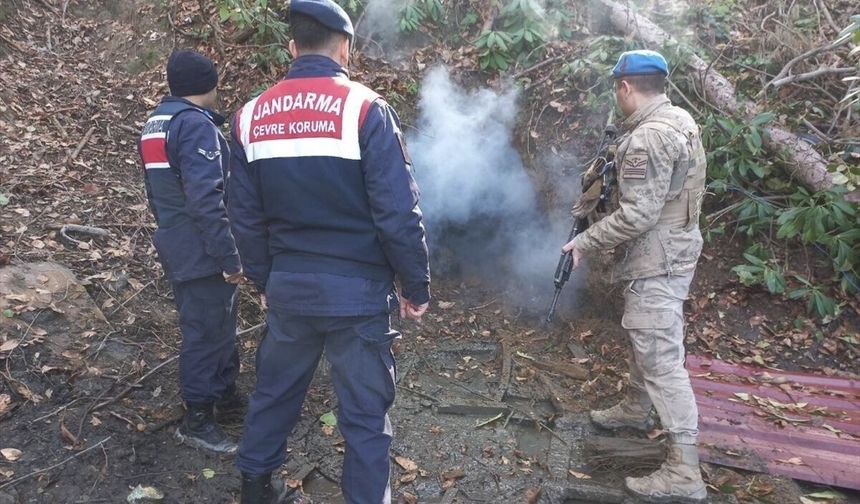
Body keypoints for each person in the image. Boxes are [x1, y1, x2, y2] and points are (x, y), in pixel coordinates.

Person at [227, 1, 431, 502]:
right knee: (364, 416)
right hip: (357, 297)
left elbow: (244, 219)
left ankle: (255, 487)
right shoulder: (365, 108)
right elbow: (398, 213)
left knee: (274, 394)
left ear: (292, 48)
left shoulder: (249, 117)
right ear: (346, 48)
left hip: (290, 288)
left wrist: (264, 281)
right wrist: (415, 284)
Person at [563, 49, 707, 503]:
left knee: (661, 355)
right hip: (674, 248)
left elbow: (639, 213)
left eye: (615, 88)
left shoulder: (647, 139)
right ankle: (636, 408)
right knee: (647, 335)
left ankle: (685, 470)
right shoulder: (680, 119)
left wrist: (585, 242)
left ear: (625, 87)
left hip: (658, 256)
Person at [138, 50, 244, 454]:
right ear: (210, 84)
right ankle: (198, 420)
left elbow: (156, 192)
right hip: (202, 247)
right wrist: (228, 256)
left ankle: (223, 395)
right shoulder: (195, 126)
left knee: (215, 321)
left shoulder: (155, 124)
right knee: (206, 331)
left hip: (176, 240)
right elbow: (206, 199)